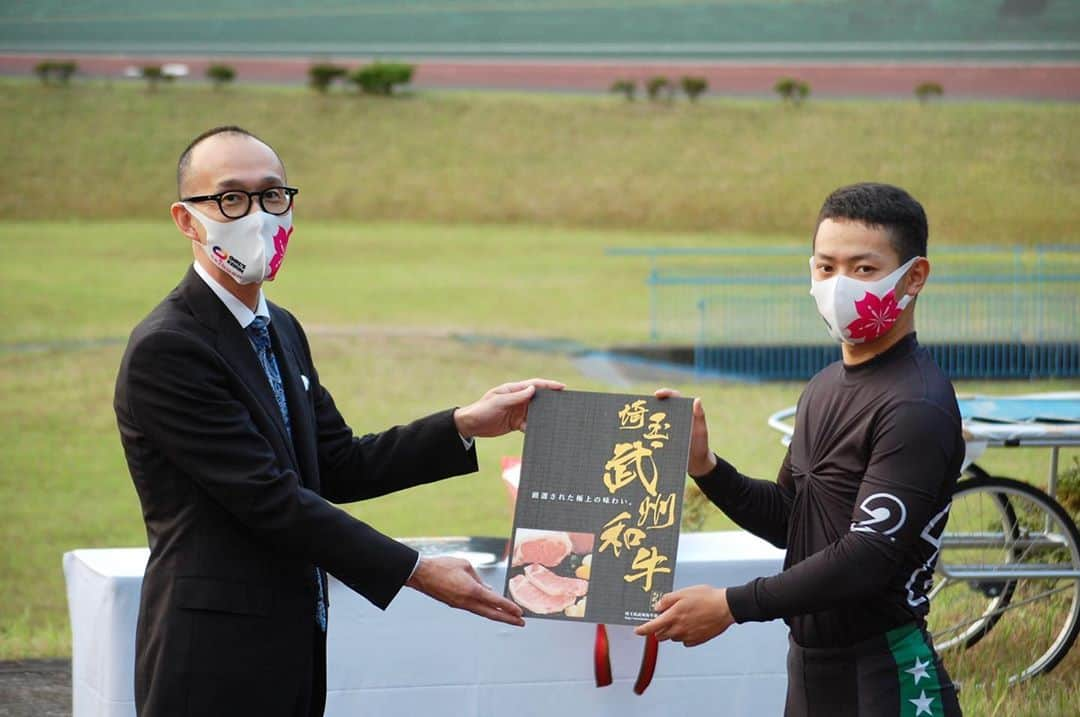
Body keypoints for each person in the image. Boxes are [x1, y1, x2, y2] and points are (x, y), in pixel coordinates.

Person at [114, 125, 563, 717]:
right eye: (230, 198)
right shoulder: (169, 348)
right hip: (213, 655)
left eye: (273, 195)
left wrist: (463, 423)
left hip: (295, 640)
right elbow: (270, 499)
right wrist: (417, 571)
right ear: (185, 219)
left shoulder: (280, 329)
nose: (257, 215)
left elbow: (335, 464)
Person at [636, 183, 964, 716]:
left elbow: (866, 559)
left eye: (863, 269)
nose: (840, 286)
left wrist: (731, 605)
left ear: (915, 276)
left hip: (888, 674)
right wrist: (706, 468)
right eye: (826, 267)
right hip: (810, 669)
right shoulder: (823, 387)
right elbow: (797, 523)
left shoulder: (916, 404)